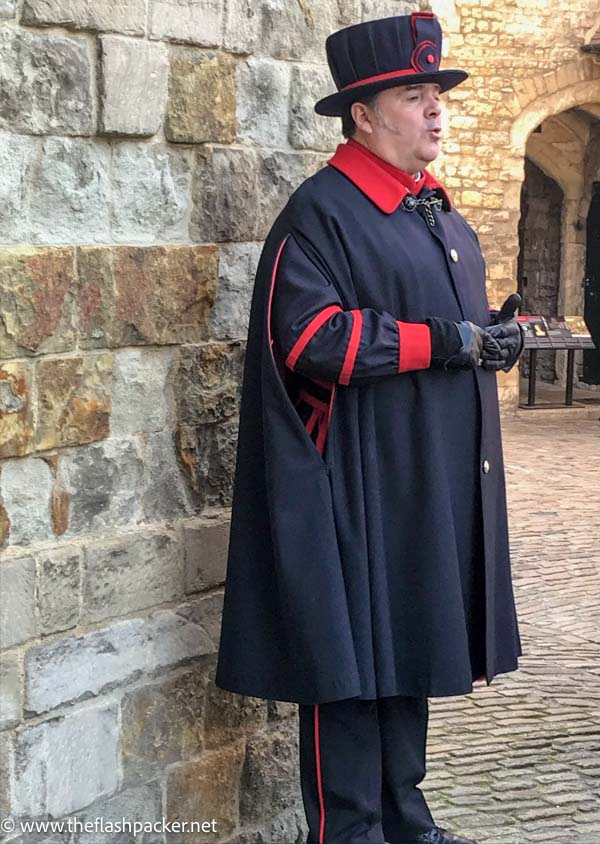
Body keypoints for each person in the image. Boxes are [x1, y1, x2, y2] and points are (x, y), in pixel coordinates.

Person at [216, 12, 524, 844]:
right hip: (347, 487)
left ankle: (408, 824)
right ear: (361, 113)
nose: (435, 111)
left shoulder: (439, 217)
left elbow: (439, 332)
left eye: (437, 95)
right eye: (414, 96)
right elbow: (314, 338)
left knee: (410, 653)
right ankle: (350, 834)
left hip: (420, 484)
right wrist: (448, 342)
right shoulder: (322, 212)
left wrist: (492, 333)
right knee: (349, 673)